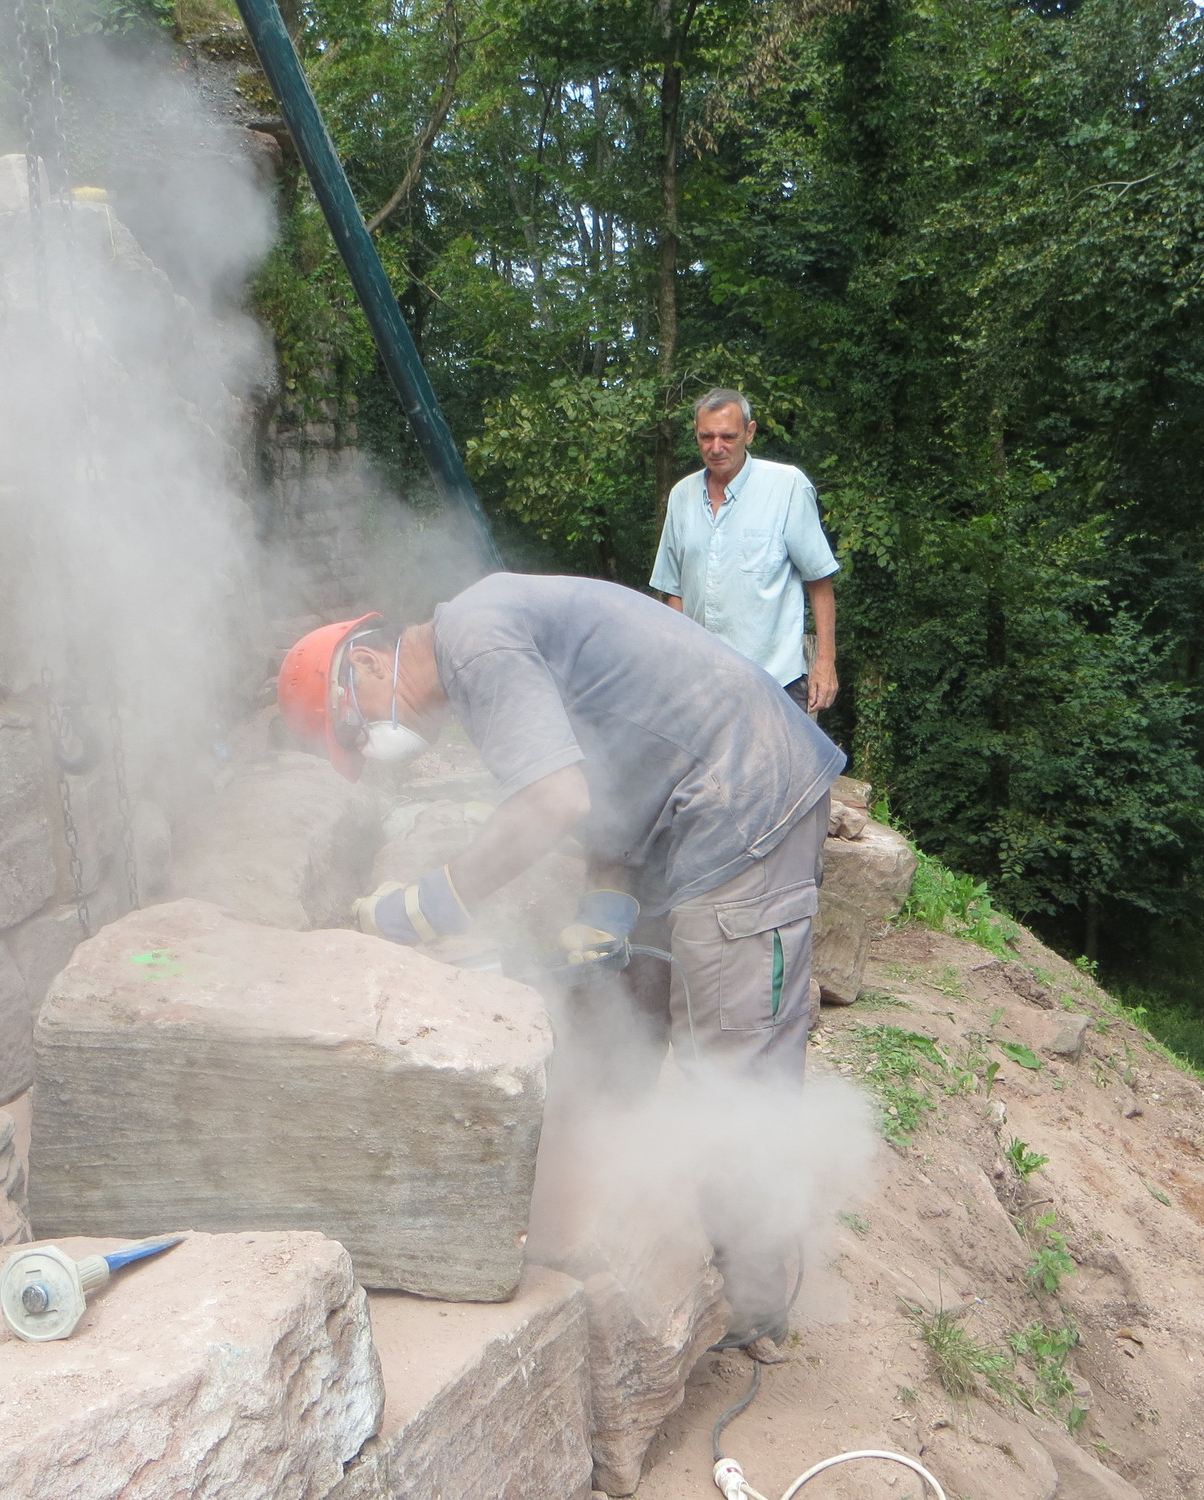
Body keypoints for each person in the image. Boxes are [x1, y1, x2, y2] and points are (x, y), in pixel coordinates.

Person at [277, 572, 847, 1343]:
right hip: (694, 803)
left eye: (354, 733)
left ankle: (752, 1307)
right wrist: (606, 896)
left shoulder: (474, 644)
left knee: (734, 1051)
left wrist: (430, 904)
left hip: (747, 798)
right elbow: (605, 769)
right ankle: (620, 1213)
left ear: (370, 663)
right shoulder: (482, 638)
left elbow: (554, 799)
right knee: (627, 1007)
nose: (370, 750)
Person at [650, 389, 840, 714]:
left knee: (778, 753)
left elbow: (819, 580)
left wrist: (825, 662)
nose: (716, 447)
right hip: (701, 684)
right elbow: (674, 591)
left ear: (749, 433)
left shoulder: (786, 487)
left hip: (774, 682)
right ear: (696, 433)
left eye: (728, 436)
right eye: (706, 437)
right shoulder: (681, 495)